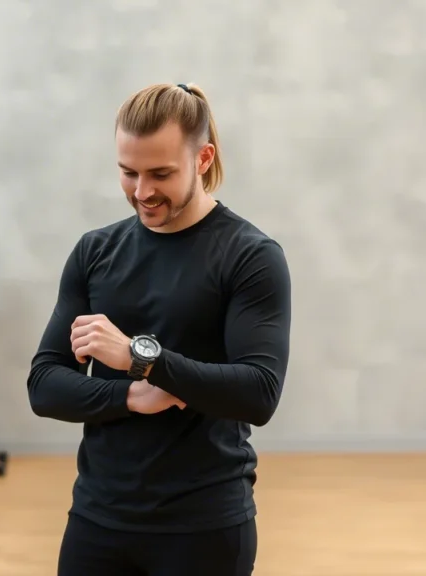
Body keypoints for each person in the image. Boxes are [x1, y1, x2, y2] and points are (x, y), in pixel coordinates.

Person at [26, 81, 292, 576]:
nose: (142, 192)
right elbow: (44, 386)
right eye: (128, 173)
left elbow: (259, 393)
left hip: (204, 527)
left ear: (204, 158)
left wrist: (141, 360)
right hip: (98, 520)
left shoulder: (251, 257)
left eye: (161, 174)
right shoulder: (95, 252)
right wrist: (130, 396)